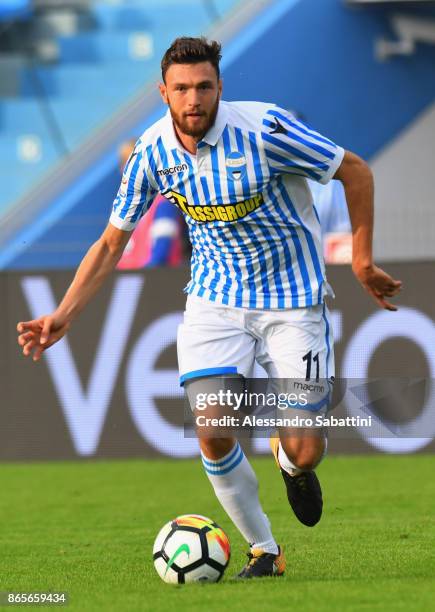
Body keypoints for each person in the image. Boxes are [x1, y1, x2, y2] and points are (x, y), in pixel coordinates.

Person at [17, 37, 402, 579]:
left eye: (203, 87)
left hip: (293, 303)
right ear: (163, 93)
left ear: (220, 87)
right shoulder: (152, 154)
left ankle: (290, 462)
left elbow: (354, 170)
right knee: (213, 428)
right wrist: (63, 314)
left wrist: (361, 260)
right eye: (181, 89)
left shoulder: (265, 131)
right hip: (214, 304)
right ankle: (265, 551)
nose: (193, 99)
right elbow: (111, 243)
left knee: (307, 450)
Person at [116, 140, 189, 269]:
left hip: (156, 279)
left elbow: (162, 248)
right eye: (126, 164)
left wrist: (143, 277)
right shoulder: (120, 204)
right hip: (127, 279)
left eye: (135, 164)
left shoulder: (164, 201)